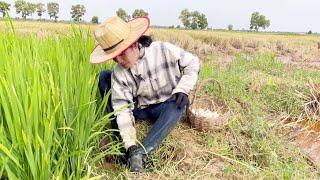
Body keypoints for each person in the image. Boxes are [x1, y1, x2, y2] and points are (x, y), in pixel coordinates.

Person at [90, 16, 200, 172]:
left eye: (121, 53)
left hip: (166, 105)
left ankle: (142, 153)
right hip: (140, 108)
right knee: (104, 77)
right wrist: (131, 145)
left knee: (179, 104)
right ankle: (126, 146)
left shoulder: (162, 50)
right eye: (114, 58)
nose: (119, 60)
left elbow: (193, 63)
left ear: (134, 44)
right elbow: (122, 108)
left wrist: (183, 89)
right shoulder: (119, 73)